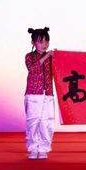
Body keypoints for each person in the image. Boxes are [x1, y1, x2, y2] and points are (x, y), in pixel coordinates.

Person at [25, 27, 56, 160]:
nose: (45, 44)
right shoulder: (29, 56)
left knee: (46, 123)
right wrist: (46, 56)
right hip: (33, 94)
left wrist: (56, 56)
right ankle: (33, 148)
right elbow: (33, 69)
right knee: (33, 122)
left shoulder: (52, 58)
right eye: (41, 41)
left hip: (48, 94)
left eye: (46, 41)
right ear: (33, 43)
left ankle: (43, 148)